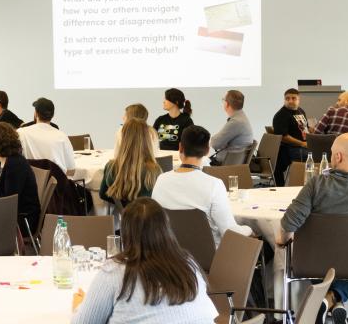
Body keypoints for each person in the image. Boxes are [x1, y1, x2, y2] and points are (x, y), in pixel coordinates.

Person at [275, 133, 348, 324]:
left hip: (311, 262)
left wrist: (282, 240)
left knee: (307, 255)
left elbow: (289, 223)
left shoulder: (315, 185)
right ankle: (333, 299)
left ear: (338, 156)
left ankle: (326, 299)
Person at [71, 198, 218, 324]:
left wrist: (80, 306)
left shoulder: (114, 272)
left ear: (126, 233)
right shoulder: (188, 263)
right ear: (166, 228)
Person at [153, 126, 252, 247]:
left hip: (170, 253)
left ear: (180, 147)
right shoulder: (214, 185)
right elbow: (230, 232)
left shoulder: (161, 180)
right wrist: (249, 229)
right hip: (210, 256)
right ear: (207, 151)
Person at [99, 119, 162, 208]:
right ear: (147, 139)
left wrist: (124, 206)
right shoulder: (154, 170)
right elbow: (160, 199)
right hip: (148, 215)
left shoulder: (111, 166)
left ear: (123, 139)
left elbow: (103, 194)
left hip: (125, 214)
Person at [18, 97, 77, 172]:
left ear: (36, 114)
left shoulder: (21, 133)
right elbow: (71, 169)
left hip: (30, 178)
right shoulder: (62, 136)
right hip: (56, 179)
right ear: (53, 115)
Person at [272, 88, 309, 185]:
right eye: (287, 98)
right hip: (290, 148)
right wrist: (302, 143)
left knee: (321, 152)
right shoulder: (281, 115)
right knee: (314, 157)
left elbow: (306, 129)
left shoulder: (301, 111)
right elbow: (283, 137)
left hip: (303, 145)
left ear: (299, 99)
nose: (290, 101)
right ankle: (302, 185)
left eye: (293, 98)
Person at [209, 90, 254, 165]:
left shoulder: (236, 122)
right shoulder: (241, 118)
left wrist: (220, 141)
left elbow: (215, 143)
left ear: (227, 104)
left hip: (227, 164)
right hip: (233, 162)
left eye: (223, 99)